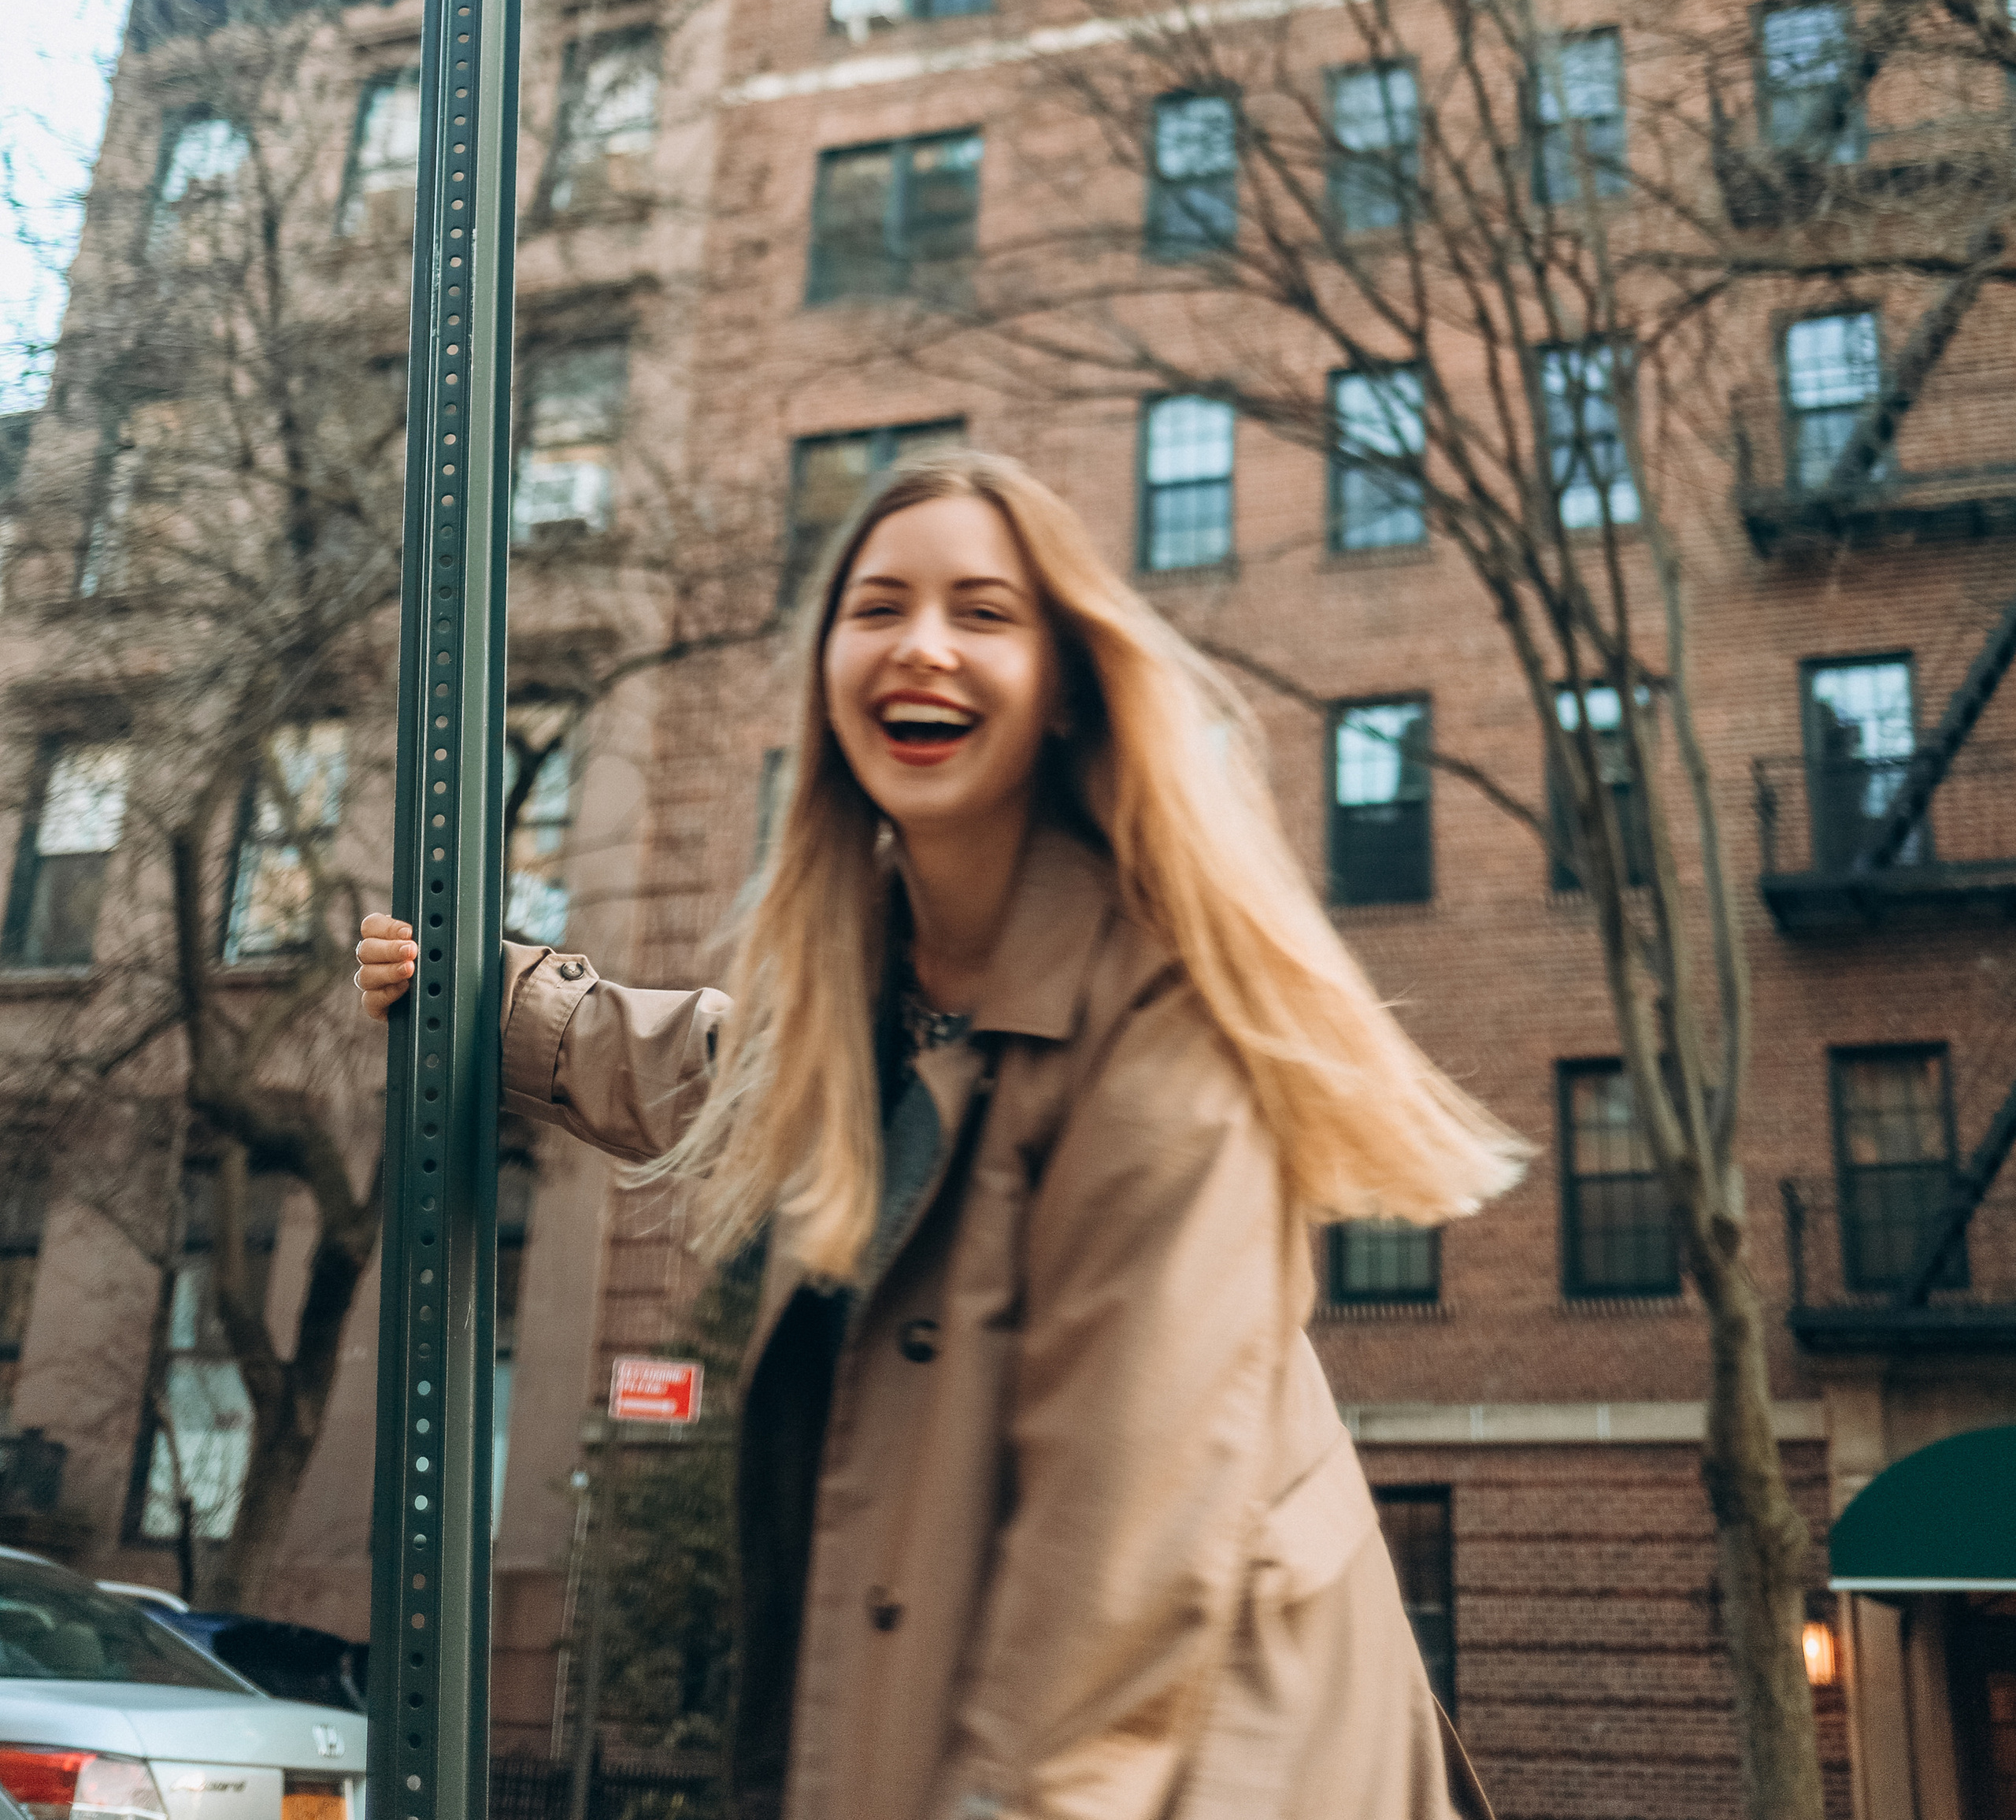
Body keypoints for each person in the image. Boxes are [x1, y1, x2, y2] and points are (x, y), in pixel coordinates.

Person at [359, 450, 1518, 1820]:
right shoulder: (886, 987)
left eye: (981, 611)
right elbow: (713, 1067)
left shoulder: (1165, 1032)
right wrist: (476, 998)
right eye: (878, 607)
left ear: (1067, 685)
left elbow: (1123, 1595)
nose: (923, 646)